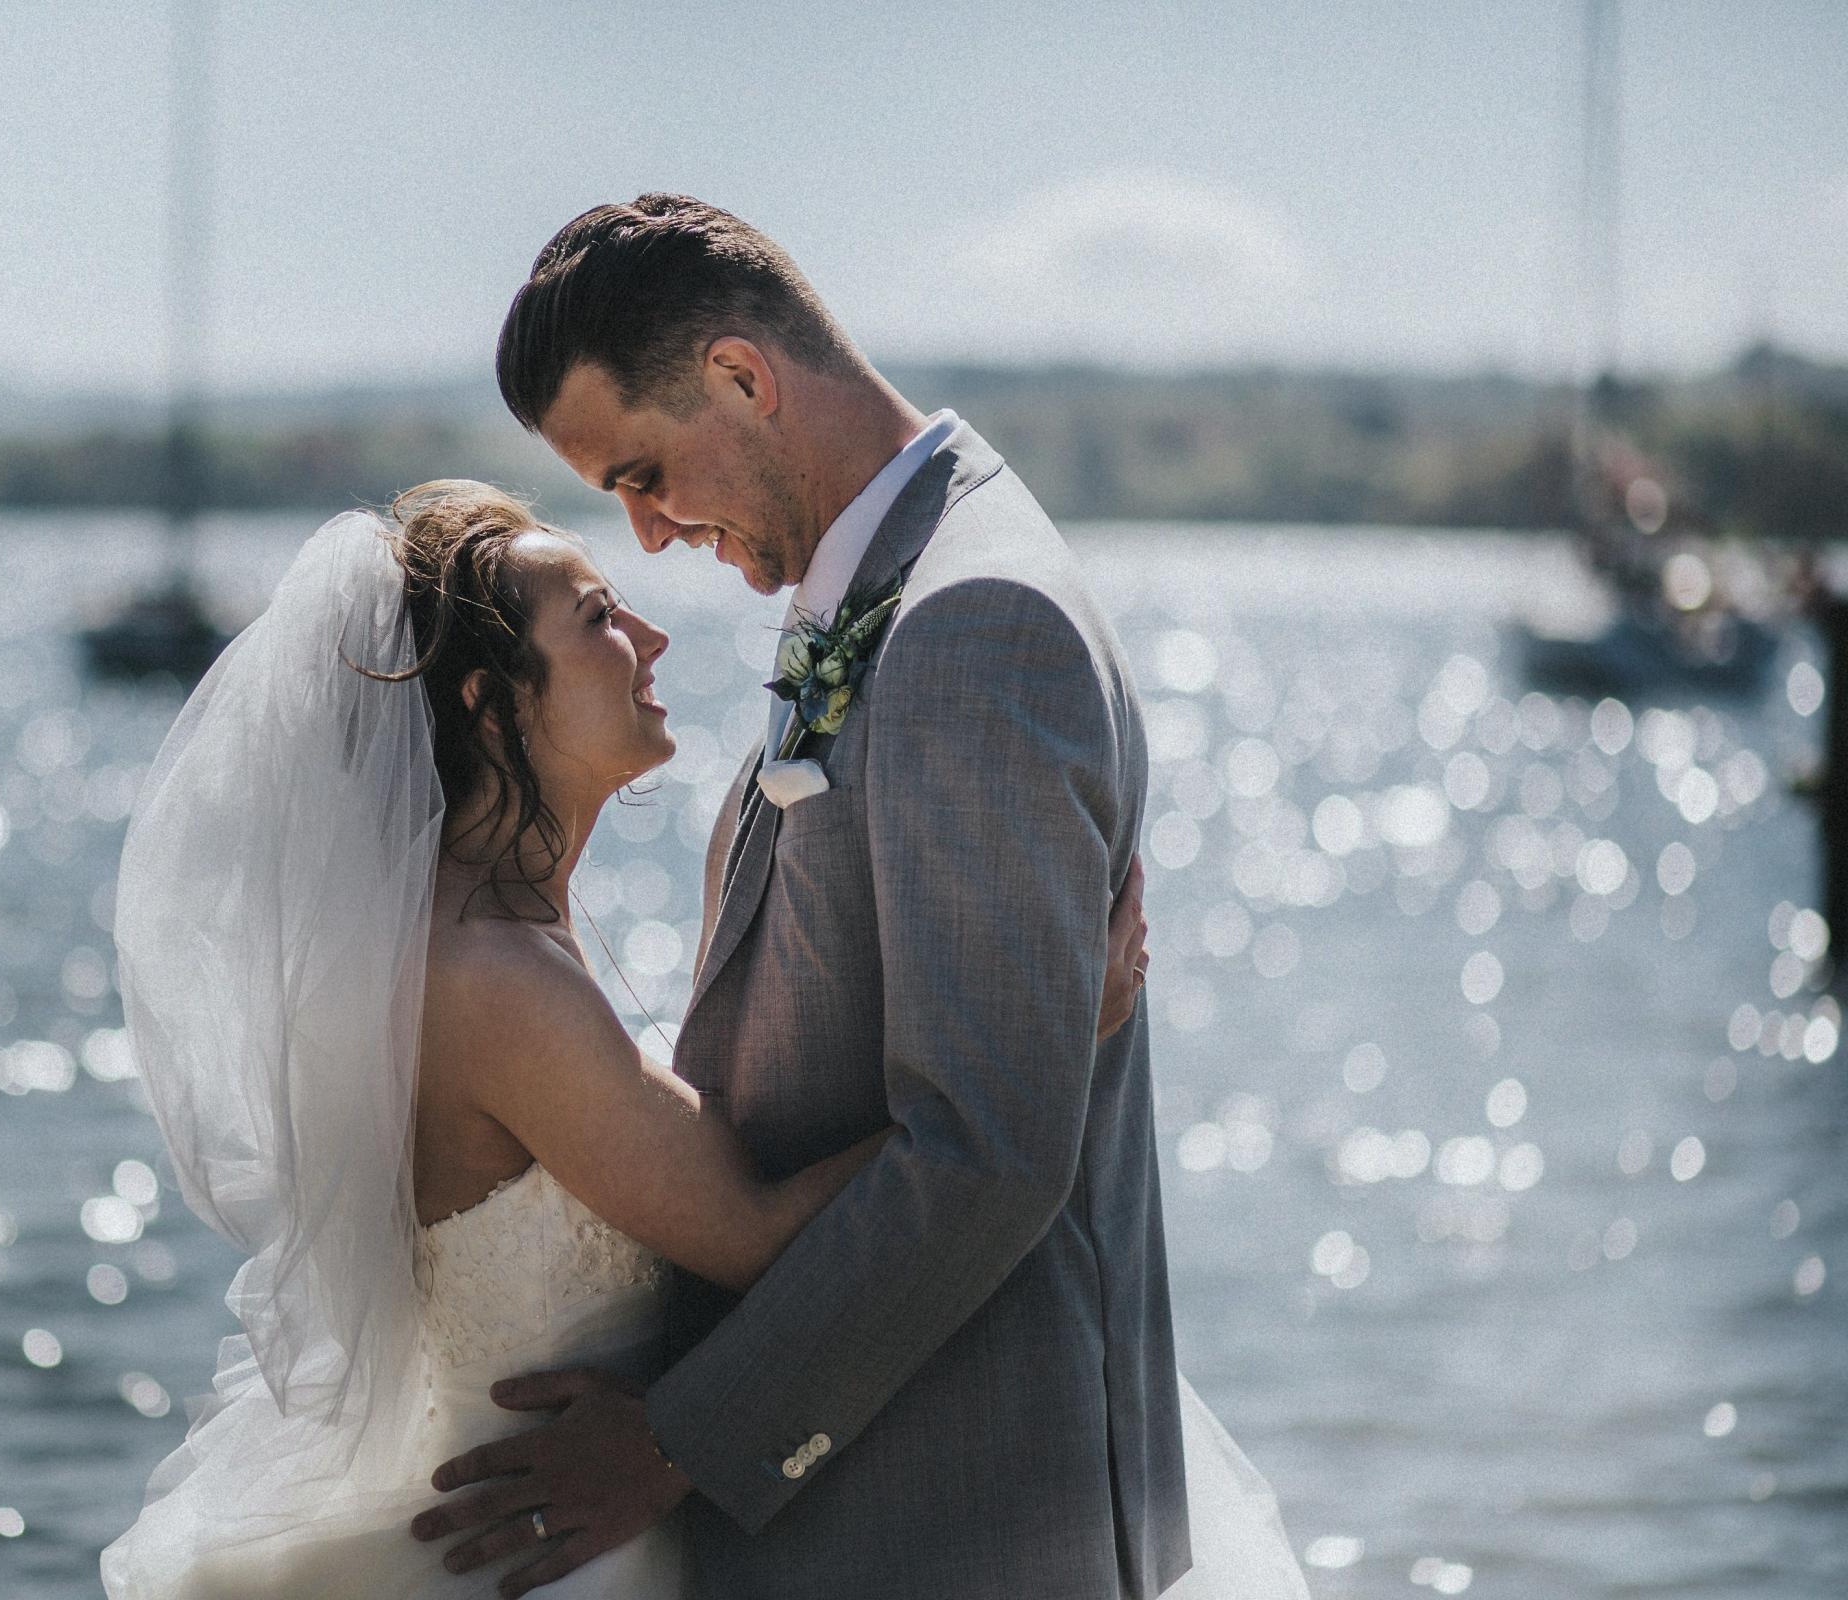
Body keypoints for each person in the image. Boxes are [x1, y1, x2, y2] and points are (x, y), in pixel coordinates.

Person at [413, 194, 1308, 1599]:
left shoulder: (970, 625)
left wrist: (676, 1448)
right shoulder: (886, 590)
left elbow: (987, 1154)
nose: (646, 537)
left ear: (741, 378)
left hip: (954, 1521)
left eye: (646, 473)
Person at [99, 484, 1152, 1598]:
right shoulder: (492, 979)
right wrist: (1042, 1032)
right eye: (600, 621)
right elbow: (749, 1234)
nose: (650, 636)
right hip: (547, 1544)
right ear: (492, 704)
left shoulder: (489, 932)